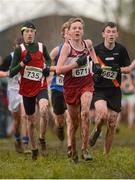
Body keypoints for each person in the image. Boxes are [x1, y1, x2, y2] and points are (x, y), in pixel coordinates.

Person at [56, 17, 99, 162]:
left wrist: (96, 63)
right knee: (74, 123)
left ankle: (85, 149)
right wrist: (75, 64)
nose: (77, 30)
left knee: (85, 113)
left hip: (86, 84)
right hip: (70, 87)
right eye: (74, 28)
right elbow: (58, 70)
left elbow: (92, 53)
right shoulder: (67, 48)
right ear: (70, 31)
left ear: (83, 31)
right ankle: (73, 149)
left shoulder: (88, 43)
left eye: (79, 28)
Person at [9, 21, 54, 160]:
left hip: (40, 86)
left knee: (44, 109)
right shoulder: (19, 50)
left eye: (31, 31)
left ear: (35, 33)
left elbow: (48, 58)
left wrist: (47, 67)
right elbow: (11, 72)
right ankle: (34, 148)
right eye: (26, 31)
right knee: (31, 120)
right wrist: (23, 63)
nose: (29, 34)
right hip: (26, 89)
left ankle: (42, 139)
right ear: (23, 34)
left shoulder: (41, 47)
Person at [88, 22, 131, 155]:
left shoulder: (121, 49)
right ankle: (97, 130)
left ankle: (106, 155)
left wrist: (117, 69)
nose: (111, 34)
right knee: (102, 115)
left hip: (115, 90)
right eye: (108, 31)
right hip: (100, 89)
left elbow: (128, 68)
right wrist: (94, 73)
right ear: (103, 34)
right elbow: (89, 67)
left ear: (117, 34)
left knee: (112, 123)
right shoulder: (96, 50)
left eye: (113, 32)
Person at [0, 37, 30, 153]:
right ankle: (17, 138)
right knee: (16, 120)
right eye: (19, 48)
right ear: (15, 48)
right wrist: (8, 73)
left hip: (25, 90)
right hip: (13, 90)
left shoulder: (30, 57)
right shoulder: (10, 58)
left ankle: (26, 144)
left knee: (25, 116)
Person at [49, 21, 72, 156]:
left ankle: (70, 146)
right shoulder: (57, 49)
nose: (69, 34)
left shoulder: (78, 49)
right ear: (63, 34)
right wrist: (51, 71)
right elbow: (47, 61)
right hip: (57, 88)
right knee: (60, 118)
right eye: (67, 32)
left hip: (71, 88)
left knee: (70, 117)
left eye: (71, 31)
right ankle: (59, 127)